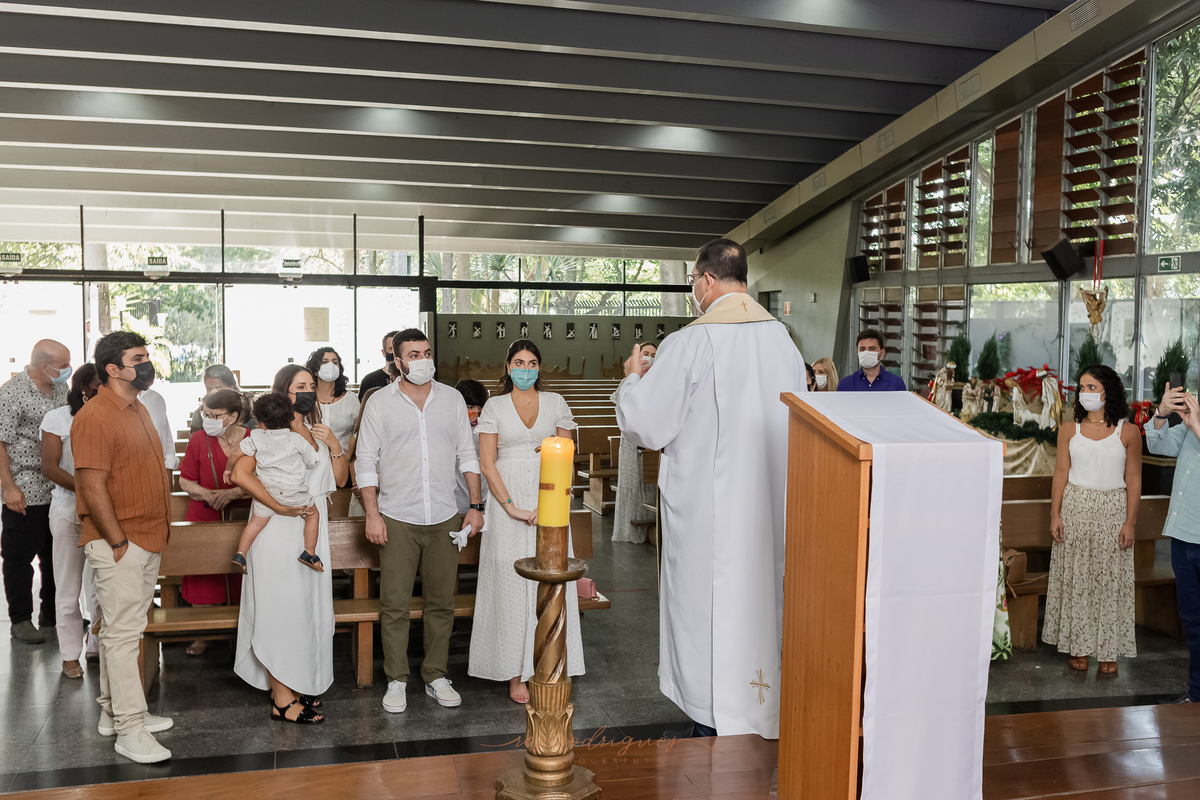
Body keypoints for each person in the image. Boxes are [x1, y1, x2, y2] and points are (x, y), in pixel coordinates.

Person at [615, 238, 806, 739]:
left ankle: (710, 721)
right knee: (765, 601)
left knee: (709, 611)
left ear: (704, 280)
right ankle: (764, 714)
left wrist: (632, 380)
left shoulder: (692, 341)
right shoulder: (783, 340)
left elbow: (647, 425)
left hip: (710, 518)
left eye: (691, 284)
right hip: (771, 508)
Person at [356, 329, 484, 715]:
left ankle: (435, 675)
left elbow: (467, 455)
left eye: (427, 352)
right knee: (394, 603)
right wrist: (373, 514)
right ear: (397, 361)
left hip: (445, 513)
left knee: (441, 603)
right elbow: (365, 461)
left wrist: (475, 505)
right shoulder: (380, 402)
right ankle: (396, 679)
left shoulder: (452, 399)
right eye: (413, 354)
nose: (422, 360)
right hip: (397, 516)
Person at [72, 331, 174, 763]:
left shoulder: (137, 407)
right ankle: (129, 730)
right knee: (121, 636)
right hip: (122, 540)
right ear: (112, 369)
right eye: (138, 359)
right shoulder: (95, 416)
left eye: (147, 357)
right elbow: (91, 486)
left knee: (123, 630)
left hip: (146, 535)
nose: (146, 365)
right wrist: (117, 541)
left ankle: (115, 713)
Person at [231, 364, 348, 725]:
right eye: (301, 386)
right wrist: (278, 505)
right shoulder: (266, 432)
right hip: (277, 526)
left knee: (305, 610)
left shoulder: (316, 430)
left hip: (311, 525)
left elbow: (340, 481)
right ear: (284, 392)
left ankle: (294, 684)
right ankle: (281, 698)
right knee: (278, 608)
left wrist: (334, 445)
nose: (309, 391)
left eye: (312, 385)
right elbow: (239, 474)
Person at [469, 341, 585, 703]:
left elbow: (566, 455)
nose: (525, 368)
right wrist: (510, 506)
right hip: (508, 504)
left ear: (539, 367)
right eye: (518, 362)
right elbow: (487, 463)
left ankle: (549, 665)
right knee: (510, 583)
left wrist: (552, 502)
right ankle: (514, 672)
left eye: (532, 363)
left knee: (551, 579)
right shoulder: (495, 406)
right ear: (507, 366)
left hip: (549, 498)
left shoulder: (555, 403)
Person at [1042, 365, 1140, 675]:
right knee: (1078, 580)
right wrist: (1054, 514)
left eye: (1091, 387)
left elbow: (1134, 479)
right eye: (1082, 387)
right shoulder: (1069, 430)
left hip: (1113, 510)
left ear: (1107, 391)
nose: (1085, 393)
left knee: (1110, 581)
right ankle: (1079, 647)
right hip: (1076, 509)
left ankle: (1108, 651)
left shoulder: (1128, 431)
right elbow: (1060, 472)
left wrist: (1130, 522)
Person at [0, 338, 71, 644]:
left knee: (55, 555)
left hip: (56, 484)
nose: (68, 370)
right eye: (63, 365)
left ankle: (52, 614)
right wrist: (9, 488)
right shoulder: (12, 393)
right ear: (45, 365)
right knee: (19, 556)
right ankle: (20, 620)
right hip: (26, 486)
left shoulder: (59, 389)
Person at [176, 388, 251, 656]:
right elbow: (185, 479)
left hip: (243, 516)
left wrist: (233, 493)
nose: (208, 419)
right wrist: (208, 494)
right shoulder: (198, 439)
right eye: (205, 414)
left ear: (233, 416)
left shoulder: (254, 439)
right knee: (204, 575)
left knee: (243, 573)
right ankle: (206, 631)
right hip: (203, 512)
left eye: (215, 415)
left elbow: (266, 481)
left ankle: (247, 630)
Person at [40, 363, 100, 677]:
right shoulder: (59, 418)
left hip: (104, 509)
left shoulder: (107, 417)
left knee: (104, 584)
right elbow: (50, 467)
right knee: (67, 586)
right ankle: (69, 654)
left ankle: (98, 645)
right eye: (96, 387)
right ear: (81, 389)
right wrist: (86, 489)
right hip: (67, 509)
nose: (101, 392)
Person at [1148, 383, 1200, 703]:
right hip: (1183, 536)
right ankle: (1196, 696)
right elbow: (1158, 444)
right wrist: (1161, 414)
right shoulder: (1191, 421)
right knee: (1193, 624)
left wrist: (1197, 426)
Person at [231, 393, 322, 574]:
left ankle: (240, 555)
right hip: (294, 493)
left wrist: (227, 469)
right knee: (313, 515)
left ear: (261, 421)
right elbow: (314, 461)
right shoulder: (296, 439)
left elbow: (234, 454)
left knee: (256, 524)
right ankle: (309, 553)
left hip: (268, 492)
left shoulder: (256, 437)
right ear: (289, 417)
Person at [610, 342, 657, 544]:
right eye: (645, 353)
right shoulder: (628, 383)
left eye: (654, 355)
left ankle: (652, 524)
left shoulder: (659, 382)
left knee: (650, 484)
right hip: (631, 444)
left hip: (653, 443)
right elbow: (625, 414)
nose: (649, 358)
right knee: (632, 485)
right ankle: (630, 530)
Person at [307, 347, 360, 458]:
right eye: (324, 362)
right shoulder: (306, 399)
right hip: (311, 464)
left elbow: (358, 432)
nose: (330, 366)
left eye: (335, 362)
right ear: (315, 370)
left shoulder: (350, 399)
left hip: (344, 462)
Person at [453, 379, 489, 518]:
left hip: (484, 497)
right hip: (456, 500)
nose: (468, 412)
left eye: (471, 407)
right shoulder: (450, 429)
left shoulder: (487, 430)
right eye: (464, 407)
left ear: (480, 407)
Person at [837, 330, 906, 391]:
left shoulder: (896, 384)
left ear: (882, 353)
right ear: (857, 353)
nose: (866, 353)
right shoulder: (845, 385)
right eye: (862, 349)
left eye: (872, 349)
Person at [188, 365, 243, 434]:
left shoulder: (248, 410)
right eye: (209, 389)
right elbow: (194, 442)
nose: (213, 394)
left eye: (217, 388)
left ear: (231, 387)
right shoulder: (200, 413)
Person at [357, 330, 401, 400]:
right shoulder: (369, 380)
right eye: (391, 349)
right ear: (384, 352)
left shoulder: (410, 379)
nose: (395, 352)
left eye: (398, 348)